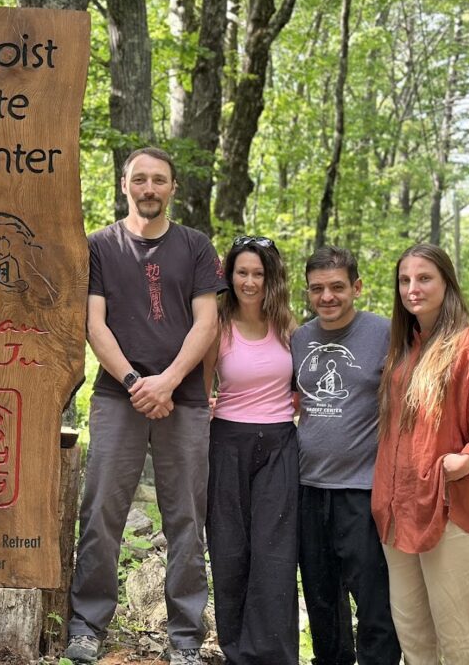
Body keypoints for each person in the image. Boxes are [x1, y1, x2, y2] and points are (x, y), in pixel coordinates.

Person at [64, 148, 225, 665]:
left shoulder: (196, 247)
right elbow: (94, 324)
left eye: (159, 180)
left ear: (172, 188)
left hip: (186, 401)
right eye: (140, 179)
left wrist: (169, 382)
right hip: (117, 395)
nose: (149, 188)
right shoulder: (99, 247)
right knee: (101, 515)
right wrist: (137, 382)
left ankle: (185, 639)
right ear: (124, 184)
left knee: (185, 519)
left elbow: (207, 322)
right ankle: (87, 627)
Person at [372, 243, 469, 664]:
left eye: (424, 278)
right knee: (416, 641)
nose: (412, 288)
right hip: (399, 511)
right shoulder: (404, 349)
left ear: (446, 284)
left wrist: (467, 459)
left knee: (459, 642)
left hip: (449, 508)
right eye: (404, 280)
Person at [292, 246, 400, 665]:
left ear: (356, 287)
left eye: (337, 287)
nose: (327, 296)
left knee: (374, 602)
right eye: (317, 288)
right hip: (307, 488)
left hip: (363, 490)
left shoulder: (385, 333)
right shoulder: (300, 338)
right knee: (321, 601)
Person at [202, 235, 298, 665]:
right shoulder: (217, 327)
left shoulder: (289, 327)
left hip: (279, 444)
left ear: (271, 278)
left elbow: (305, 388)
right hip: (227, 442)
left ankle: (274, 653)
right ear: (230, 275)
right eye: (242, 272)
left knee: (274, 551)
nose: (250, 281)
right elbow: (204, 390)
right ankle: (237, 651)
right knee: (230, 550)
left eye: (259, 273)